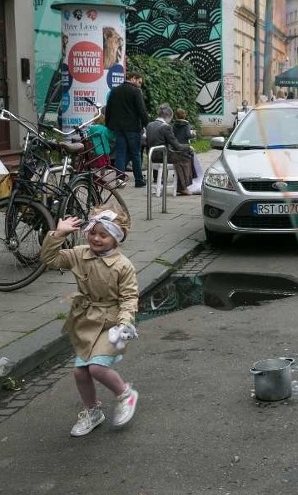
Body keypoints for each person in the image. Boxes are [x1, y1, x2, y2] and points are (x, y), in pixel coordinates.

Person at [40, 208, 140, 437]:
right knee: (80, 373)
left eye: (103, 235)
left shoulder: (123, 265)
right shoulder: (79, 254)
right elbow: (50, 259)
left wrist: (125, 324)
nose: (96, 238)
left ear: (117, 237)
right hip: (85, 321)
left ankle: (126, 394)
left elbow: (129, 298)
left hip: (111, 324)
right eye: (93, 232)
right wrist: (58, 234)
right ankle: (93, 411)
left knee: (96, 367)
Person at [105, 71, 150, 188]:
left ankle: (119, 180)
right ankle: (139, 180)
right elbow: (141, 110)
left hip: (119, 128)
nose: (139, 84)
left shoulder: (115, 90)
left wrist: (108, 124)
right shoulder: (136, 91)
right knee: (135, 154)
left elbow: (108, 109)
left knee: (120, 153)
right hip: (133, 128)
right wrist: (148, 125)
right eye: (139, 82)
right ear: (133, 78)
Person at [145, 103, 196, 195]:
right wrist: (188, 147)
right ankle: (182, 187)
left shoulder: (149, 125)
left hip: (151, 156)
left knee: (181, 155)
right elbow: (177, 146)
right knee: (186, 156)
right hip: (163, 156)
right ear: (168, 116)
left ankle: (162, 181)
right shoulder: (166, 127)